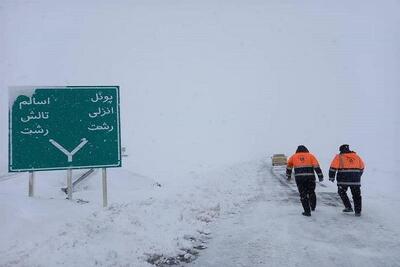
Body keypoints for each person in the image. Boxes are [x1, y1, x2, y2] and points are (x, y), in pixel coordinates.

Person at [286, 145, 324, 216]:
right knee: (311, 192)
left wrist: (288, 175)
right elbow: (316, 166)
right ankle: (312, 207)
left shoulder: (293, 157)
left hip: (299, 179)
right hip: (310, 178)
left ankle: (307, 211)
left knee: (303, 194)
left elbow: (289, 166)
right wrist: (320, 176)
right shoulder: (310, 156)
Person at [329, 144, 365, 216]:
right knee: (356, 195)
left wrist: (331, 177)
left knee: (341, 192)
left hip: (343, 180)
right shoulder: (357, 157)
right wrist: (358, 175)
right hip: (355, 180)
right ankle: (358, 211)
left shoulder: (339, 157)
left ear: (341, 150)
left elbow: (333, 167)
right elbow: (362, 167)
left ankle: (348, 207)